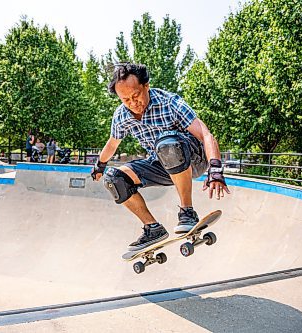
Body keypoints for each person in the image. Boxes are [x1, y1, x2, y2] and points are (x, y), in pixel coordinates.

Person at [91, 63, 230, 251]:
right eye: (126, 100)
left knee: (165, 143)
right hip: (162, 164)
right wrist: (100, 166)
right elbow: (112, 143)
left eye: (136, 95)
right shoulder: (121, 116)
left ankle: (187, 211)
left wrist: (216, 169)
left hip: (194, 158)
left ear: (146, 86)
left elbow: (205, 134)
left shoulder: (170, 103)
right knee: (114, 179)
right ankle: (152, 228)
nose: (133, 103)